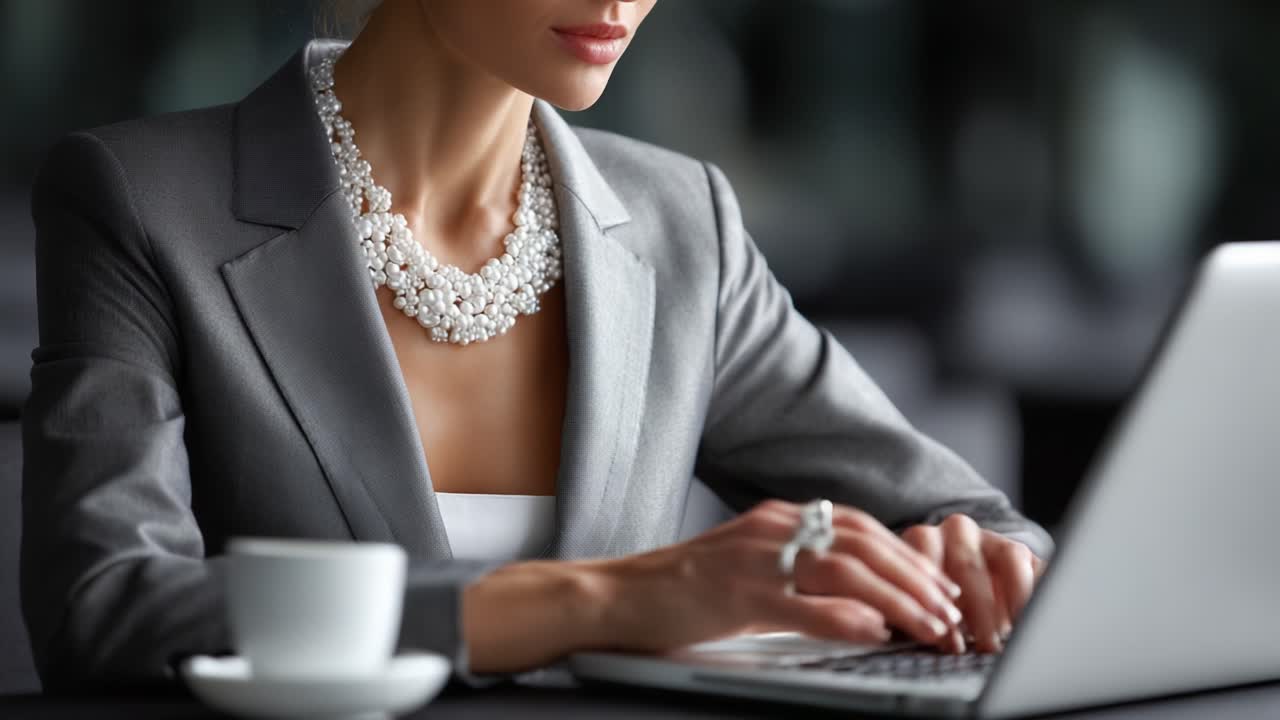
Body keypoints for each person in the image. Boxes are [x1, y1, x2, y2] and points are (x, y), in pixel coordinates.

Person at [20, 0, 1051, 690]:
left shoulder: (680, 222)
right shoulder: (144, 202)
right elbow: (103, 606)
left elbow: (986, 525)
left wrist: (980, 566)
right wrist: (603, 601)